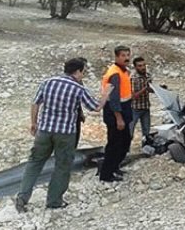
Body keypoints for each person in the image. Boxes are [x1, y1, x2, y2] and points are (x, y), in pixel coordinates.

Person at [15, 58, 111, 212]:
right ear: (78, 71)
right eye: (83, 72)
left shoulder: (48, 82)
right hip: (65, 133)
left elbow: (35, 103)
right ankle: (54, 200)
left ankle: (22, 197)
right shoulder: (78, 88)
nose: (83, 75)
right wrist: (106, 94)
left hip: (44, 130)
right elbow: (96, 107)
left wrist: (33, 123)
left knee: (34, 163)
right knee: (62, 166)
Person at [100, 46, 133, 182]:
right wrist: (119, 118)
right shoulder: (115, 74)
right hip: (115, 113)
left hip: (123, 110)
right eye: (123, 55)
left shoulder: (123, 71)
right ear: (117, 57)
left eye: (127, 55)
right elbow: (114, 99)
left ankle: (114, 167)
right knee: (114, 143)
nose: (126, 58)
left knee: (124, 141)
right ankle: (106, 174)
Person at [130, 56, 153, 143]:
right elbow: (133, 96)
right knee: (130, 131)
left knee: (146, 131)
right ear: (135, 67)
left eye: (144, 65)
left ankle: (146, 147)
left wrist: (159, 89)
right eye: (140, 66)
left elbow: (150, 89)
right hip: (134, 108)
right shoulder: (133, 78)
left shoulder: (148, 75)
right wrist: (145, 89)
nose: (143, 67)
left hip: (145, 106)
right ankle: (125, 151)